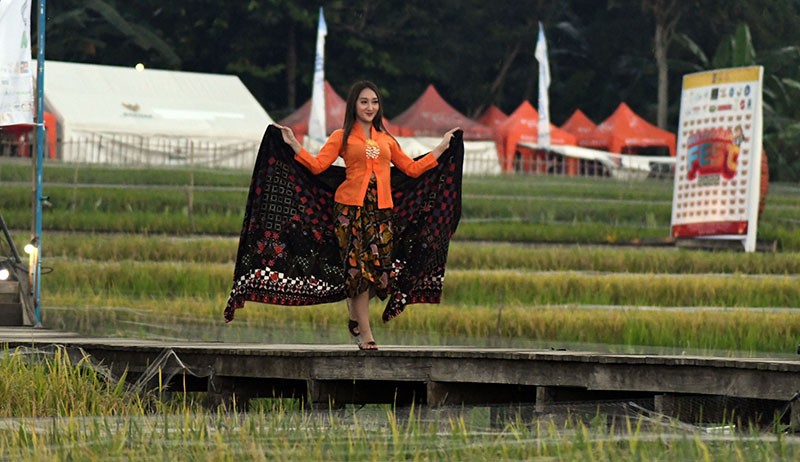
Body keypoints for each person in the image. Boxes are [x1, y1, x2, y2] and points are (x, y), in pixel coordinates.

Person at [274, 80, 458, 351]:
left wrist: (441, 147)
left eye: (374, 102)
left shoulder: (386, 139)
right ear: (354, 105)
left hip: (381, 212)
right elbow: (317, 166)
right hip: (350, 212)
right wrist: (293, 144)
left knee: (381, 276)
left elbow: (411, 169)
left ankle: (353, 311)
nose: (370, 107)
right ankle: (366, 336)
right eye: (364, 101)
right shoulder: (341, 136)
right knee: (359, 273)